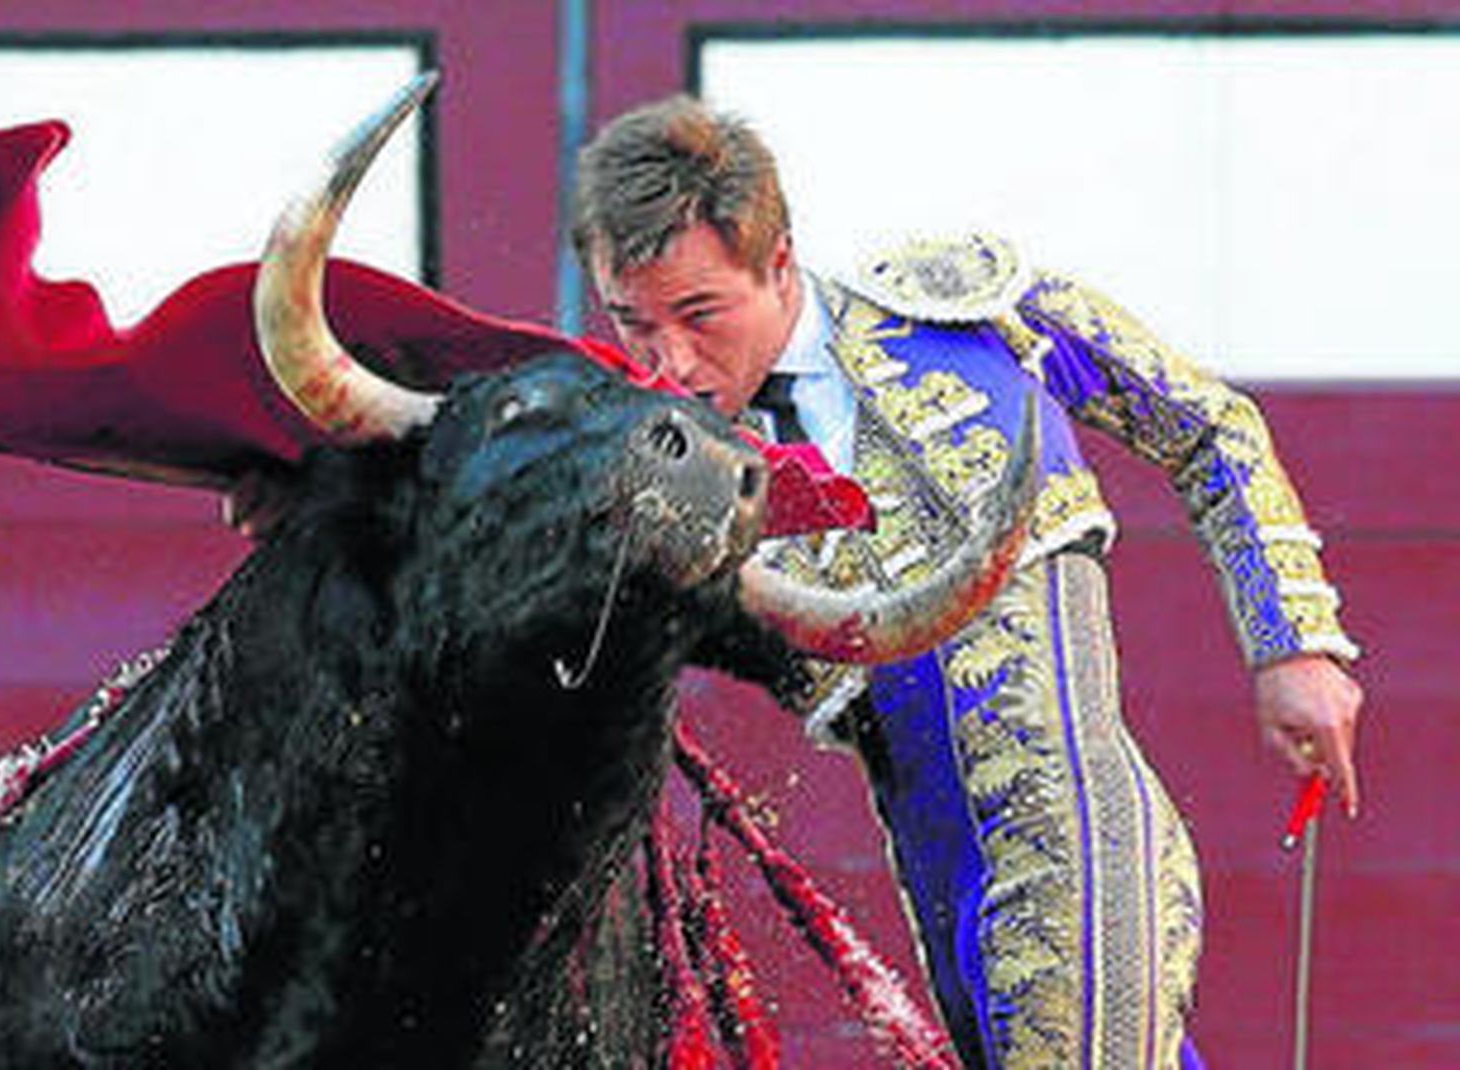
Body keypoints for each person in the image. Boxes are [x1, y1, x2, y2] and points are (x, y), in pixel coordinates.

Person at [569, 94, 1364, 1069]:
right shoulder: (675, 475)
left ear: (778, 262)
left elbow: (1205, 425)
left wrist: (1294, 639)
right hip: (940, 887)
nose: (670, 360)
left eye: (699, 314)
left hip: (1078, 841)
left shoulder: (963, 311)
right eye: (631, 323)